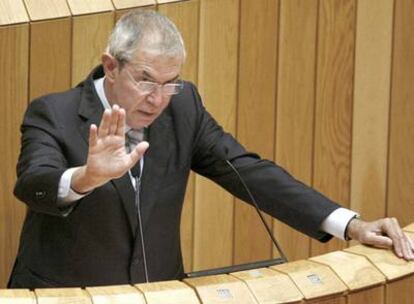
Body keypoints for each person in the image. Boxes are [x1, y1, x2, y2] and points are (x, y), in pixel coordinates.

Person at [9, 10, 414, 289]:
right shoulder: (55, 112)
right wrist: (87, 177)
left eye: (171, 83)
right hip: (67, 294)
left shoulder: (182, 108)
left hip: (163, 293)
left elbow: (246, 170)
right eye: (146, 81)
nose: (158, 99)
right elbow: (33, 184)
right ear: (111, 66)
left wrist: (349, 224)